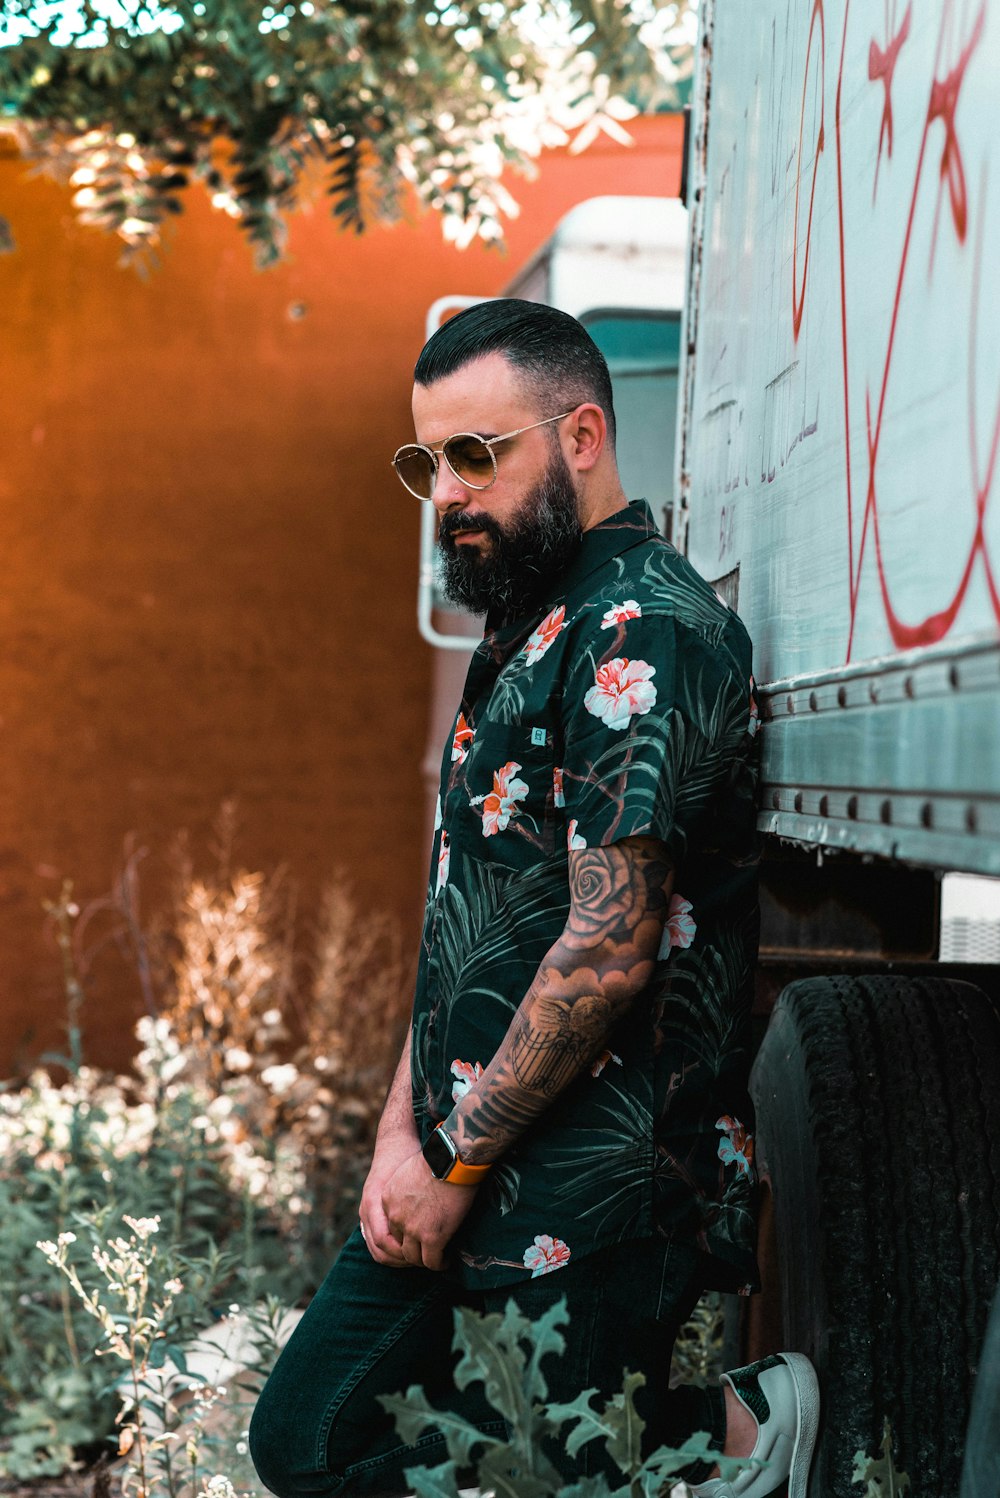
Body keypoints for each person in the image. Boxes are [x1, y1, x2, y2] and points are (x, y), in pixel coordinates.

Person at [249, 300, 819, 1498]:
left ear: (581, 435)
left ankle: (725, 1429)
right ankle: (695, 1441)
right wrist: (403, 1134)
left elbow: (609, 943)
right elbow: (467, 911)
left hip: (591, 1184)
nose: (446, 493)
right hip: (465, 1156)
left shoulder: (646, 628)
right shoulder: (526, 623)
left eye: (475, 454)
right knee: (304, 1435)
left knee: (502, 1470)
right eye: (426, 461)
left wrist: (449, 1160)